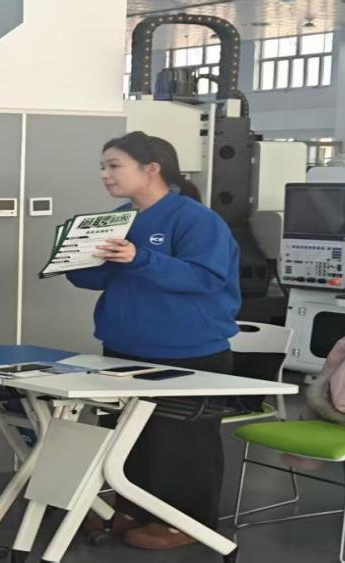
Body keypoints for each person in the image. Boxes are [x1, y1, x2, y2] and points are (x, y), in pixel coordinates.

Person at [69, 131, 241, 550]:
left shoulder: (195, 220)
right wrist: (74, 257)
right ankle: (132, 509)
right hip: (124, 348)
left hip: (188, 353)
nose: (105, 175)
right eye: (103, 166)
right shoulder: (117, 218)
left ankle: (185, 523)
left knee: (180, 444)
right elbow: (95, 278)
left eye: (115, 166)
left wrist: (139, 257)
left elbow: (205, 278)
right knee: (127, 438)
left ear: (152, 169)